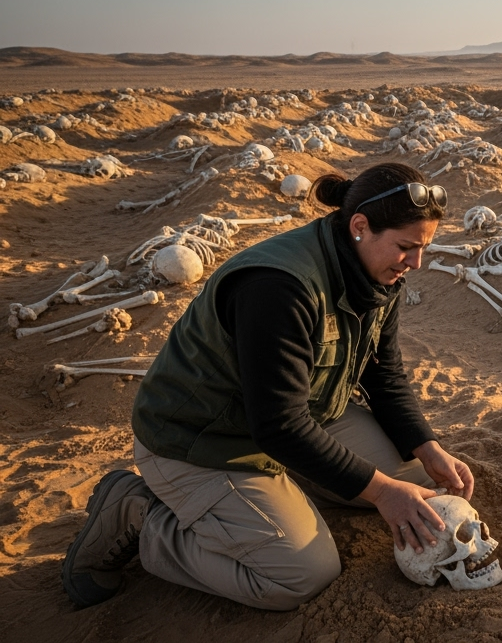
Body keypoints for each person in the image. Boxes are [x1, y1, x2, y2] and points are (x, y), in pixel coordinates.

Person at [62, 162, 473, 611]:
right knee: (302, 576)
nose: (415, 263)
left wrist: (426, 445)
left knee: (417, 481)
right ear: (360, 226)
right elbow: (278, 424)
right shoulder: (279, 287)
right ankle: (144, 515)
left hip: (300, 419)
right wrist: (378, 492)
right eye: (406, 247)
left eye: (423, 248)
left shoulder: (375, 273)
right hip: (204, 441)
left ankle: (289, 492)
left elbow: (384, 373)